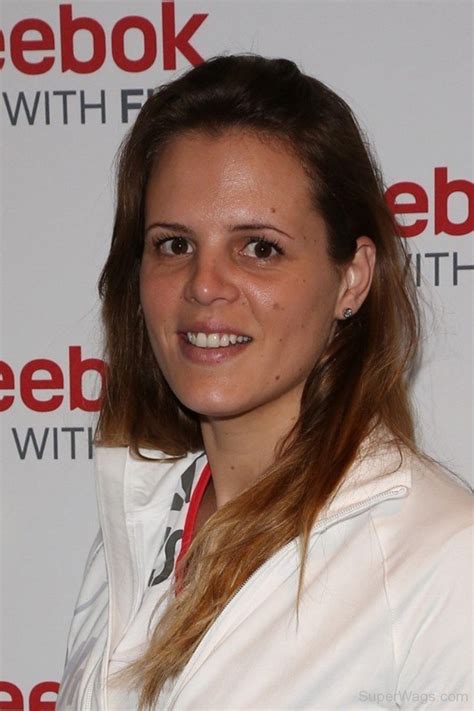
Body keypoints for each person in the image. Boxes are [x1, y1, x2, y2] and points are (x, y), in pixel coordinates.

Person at [56, 54, 472, 711]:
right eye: (173, 244)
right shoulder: (136, 522)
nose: (204, 285)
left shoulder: (445, 561)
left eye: (259, 247)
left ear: (352, 278)